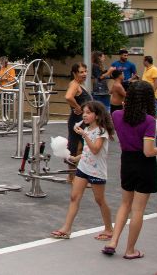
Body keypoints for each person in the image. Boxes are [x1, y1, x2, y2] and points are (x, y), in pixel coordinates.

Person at [102, 81, 157, 259]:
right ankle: (130, 250)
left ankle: (113, 241)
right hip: (144, 165)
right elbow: (148, 151)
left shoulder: (116, 115)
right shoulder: (149, 121)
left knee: (125, 204)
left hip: (127, 161)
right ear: (147, 100)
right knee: (138, 210)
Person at [50, 101, 114, 240]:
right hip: (83, 168)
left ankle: (109, 229)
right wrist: (76, 158)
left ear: (97, 116)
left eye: (88, 113)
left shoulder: (101, 131)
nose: (84, 115)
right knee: (74, 197)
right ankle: (66, 229)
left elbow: (96, 150)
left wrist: (84, 135)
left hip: (96, 171)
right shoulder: (88, 130)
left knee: (100, 200)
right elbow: (87, 151)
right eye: (84, 112)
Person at [64, 63, 92, 177]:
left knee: (79, 147)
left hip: (80, 121)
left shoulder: (79, 84)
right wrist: (77, 107)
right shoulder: (75, 84)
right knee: (76, 148)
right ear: (74, 73)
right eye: (81, 72)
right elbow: (68, 96)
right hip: (77, 121)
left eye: (85, 71)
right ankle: (73, 177)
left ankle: (75, 176)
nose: (84, 74)